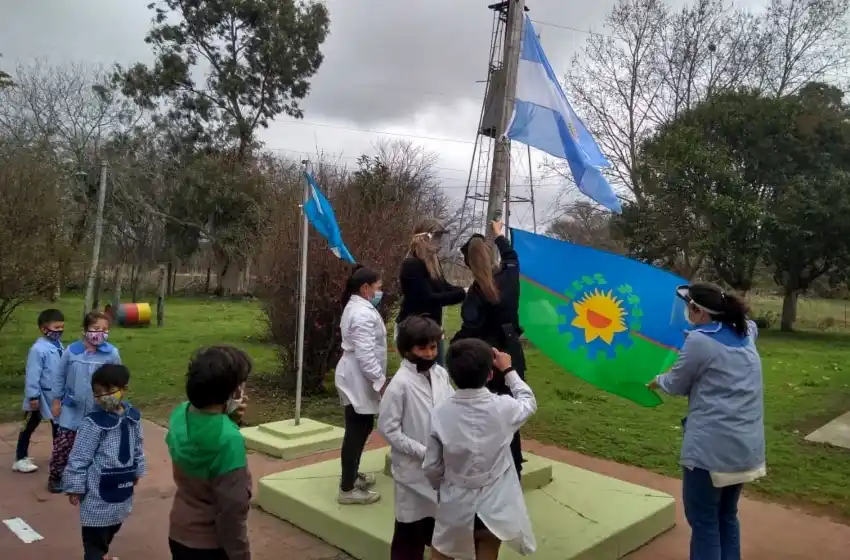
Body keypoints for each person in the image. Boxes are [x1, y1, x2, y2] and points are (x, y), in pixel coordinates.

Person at [648, 282, 765, 560]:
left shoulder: (700, 342)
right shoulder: (747, 330)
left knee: (704, 523)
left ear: (697, 311)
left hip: (710, 452)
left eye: (689, 308)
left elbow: (676, 383)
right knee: (726, 516)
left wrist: (658, 381)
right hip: (745, 448)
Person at [424, 339, 537, 560]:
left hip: (455, 499)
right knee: (488, 547)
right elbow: (529, 401)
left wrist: (444, 485)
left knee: (442, 550)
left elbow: (431, 466)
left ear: (452, 375)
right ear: (490, 375)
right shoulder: (504, 408)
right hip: (494, 503)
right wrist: (509, 369)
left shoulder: (440, 413)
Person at [452, 220, 526, 477]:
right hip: (512, 353)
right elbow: (512, 256)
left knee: (489, 417)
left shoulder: (476, 293)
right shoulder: (509, 275)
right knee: (511, 413)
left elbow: (470, 329)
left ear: (468, 264)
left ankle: (495, 468)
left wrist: (453, 345)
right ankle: (514, 465)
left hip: (488, 357)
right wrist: (499, 235)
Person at [378, 315, 455, 560]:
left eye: (433, 347)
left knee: (438, 527)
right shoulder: (400, 385)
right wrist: (423, 451)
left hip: (440, 468)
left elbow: (453, 406)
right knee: (409, 530)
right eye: (422, 348)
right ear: (406, 349)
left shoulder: (441, 374)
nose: (430, 353)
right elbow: (388, 429)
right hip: (412, 472)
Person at [166, 345, 252, 560]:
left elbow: (202, 443)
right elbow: (232, 511)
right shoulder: (229, 440)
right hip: (211, 545)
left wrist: (228, 421)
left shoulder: (180, 412)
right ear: (234, 392)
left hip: (179, 533)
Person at [64, 363, 145, 560]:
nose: (103, 397)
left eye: (109, 391)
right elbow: (79, 456)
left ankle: (101, 553)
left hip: (122, 483)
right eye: (98, 393)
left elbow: (138, 446)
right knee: (94, 536)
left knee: (114, 524)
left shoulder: (132, 417)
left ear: (124, 389)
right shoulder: (93, 423)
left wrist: (137, 470)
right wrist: (75, 486)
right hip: (97, 489)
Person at [49, 311, 121, 493]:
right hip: (72, 408)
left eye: (105, 330)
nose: (100, 333)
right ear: (85, 330)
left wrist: (114, 402)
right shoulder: (72, 351)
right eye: (96, 329)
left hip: (98, 409)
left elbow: (118, 380)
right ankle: (56, 476)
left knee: (95, 446)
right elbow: (59, 376)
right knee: (64, 444)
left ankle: (90, 478)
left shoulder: (111, 353)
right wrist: (56, 400)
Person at [335, 265, 388, 505]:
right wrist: (380, 381)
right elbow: (366, 355)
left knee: (363, 427)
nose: (381, 292)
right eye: (378, 287)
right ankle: (347, 489)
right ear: (365, 288)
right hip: (358, 377)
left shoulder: (358, 308)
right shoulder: (362, 314)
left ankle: (352, 475)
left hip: (357, 376)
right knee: (356, 431)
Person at [398, 218, 466, 365]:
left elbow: (444, 286)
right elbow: (428, 298)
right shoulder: (412, 264)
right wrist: (459, 294)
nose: (439, 243)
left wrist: (465, 290)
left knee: (438, 372)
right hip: (415, 331)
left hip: (432, 328)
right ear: (424, 239)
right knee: (421, 375)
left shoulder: (432, 262)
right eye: (436, 238)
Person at [13, 308, 65, 473]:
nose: (60, 331)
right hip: (39, 396)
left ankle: (60, 456)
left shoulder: (57, 345)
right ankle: (20, 459)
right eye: (56, 328)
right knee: (28, 426)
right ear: (44, 329)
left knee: (58, 425)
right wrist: (33, 395)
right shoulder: (38, 349)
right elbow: (33, 374)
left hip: (53, 395)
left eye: (62, 327)